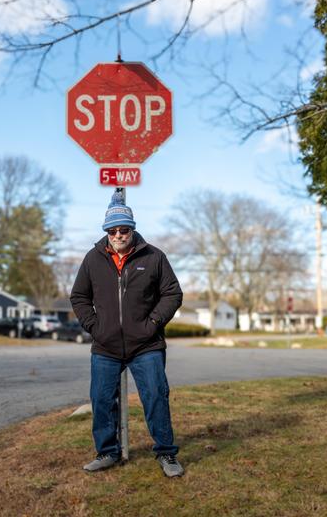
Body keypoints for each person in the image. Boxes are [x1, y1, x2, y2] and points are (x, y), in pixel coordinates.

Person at [70, 191, 184, 478]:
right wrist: (95, 327)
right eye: (113, 230)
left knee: (156, 395)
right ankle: (108, 451)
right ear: (106, 231)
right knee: (102, 398)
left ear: (132, 228)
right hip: (105, 345)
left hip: (147, 345)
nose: (119, 234)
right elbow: (79, 296)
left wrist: (153, 322)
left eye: (124, 229)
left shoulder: (154, 256)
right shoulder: (93, 259)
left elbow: (172, 293)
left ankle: (167, 453)